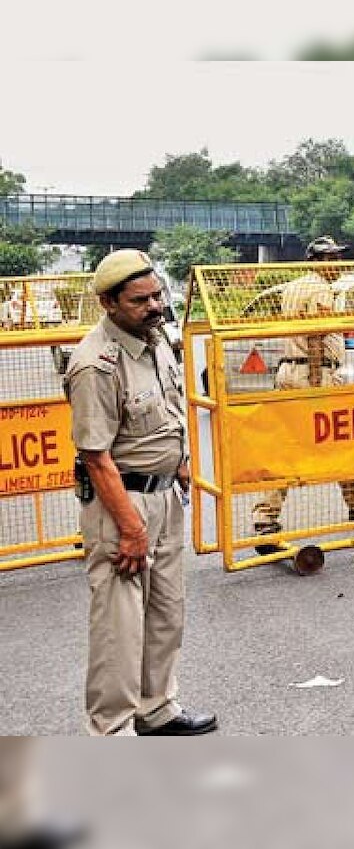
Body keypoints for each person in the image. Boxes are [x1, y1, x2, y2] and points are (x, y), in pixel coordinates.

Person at [63, 249, 217, 736]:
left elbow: (170, 410)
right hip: (122, 504)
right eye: (139, 300)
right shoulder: (96, 364)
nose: (154, 306)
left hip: (165, 494)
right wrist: (129, 526)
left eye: (157, 296)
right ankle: (113, 729)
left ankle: (157, 709)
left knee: (167, 610)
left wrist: (183, 465)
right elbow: (96, 455)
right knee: (120, 624)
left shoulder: (156, 340)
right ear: (109, 304)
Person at [251, 237, 354, 539]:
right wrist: (316, 384)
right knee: (328, 438)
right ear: (317, 261)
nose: (337, 264)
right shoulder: (319, 289)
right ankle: (267, 514)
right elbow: (316, 336)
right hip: (312, 374)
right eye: (331, 258)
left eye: (338, 258)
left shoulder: (293, 286)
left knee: (309, 442)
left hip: (289, 368)